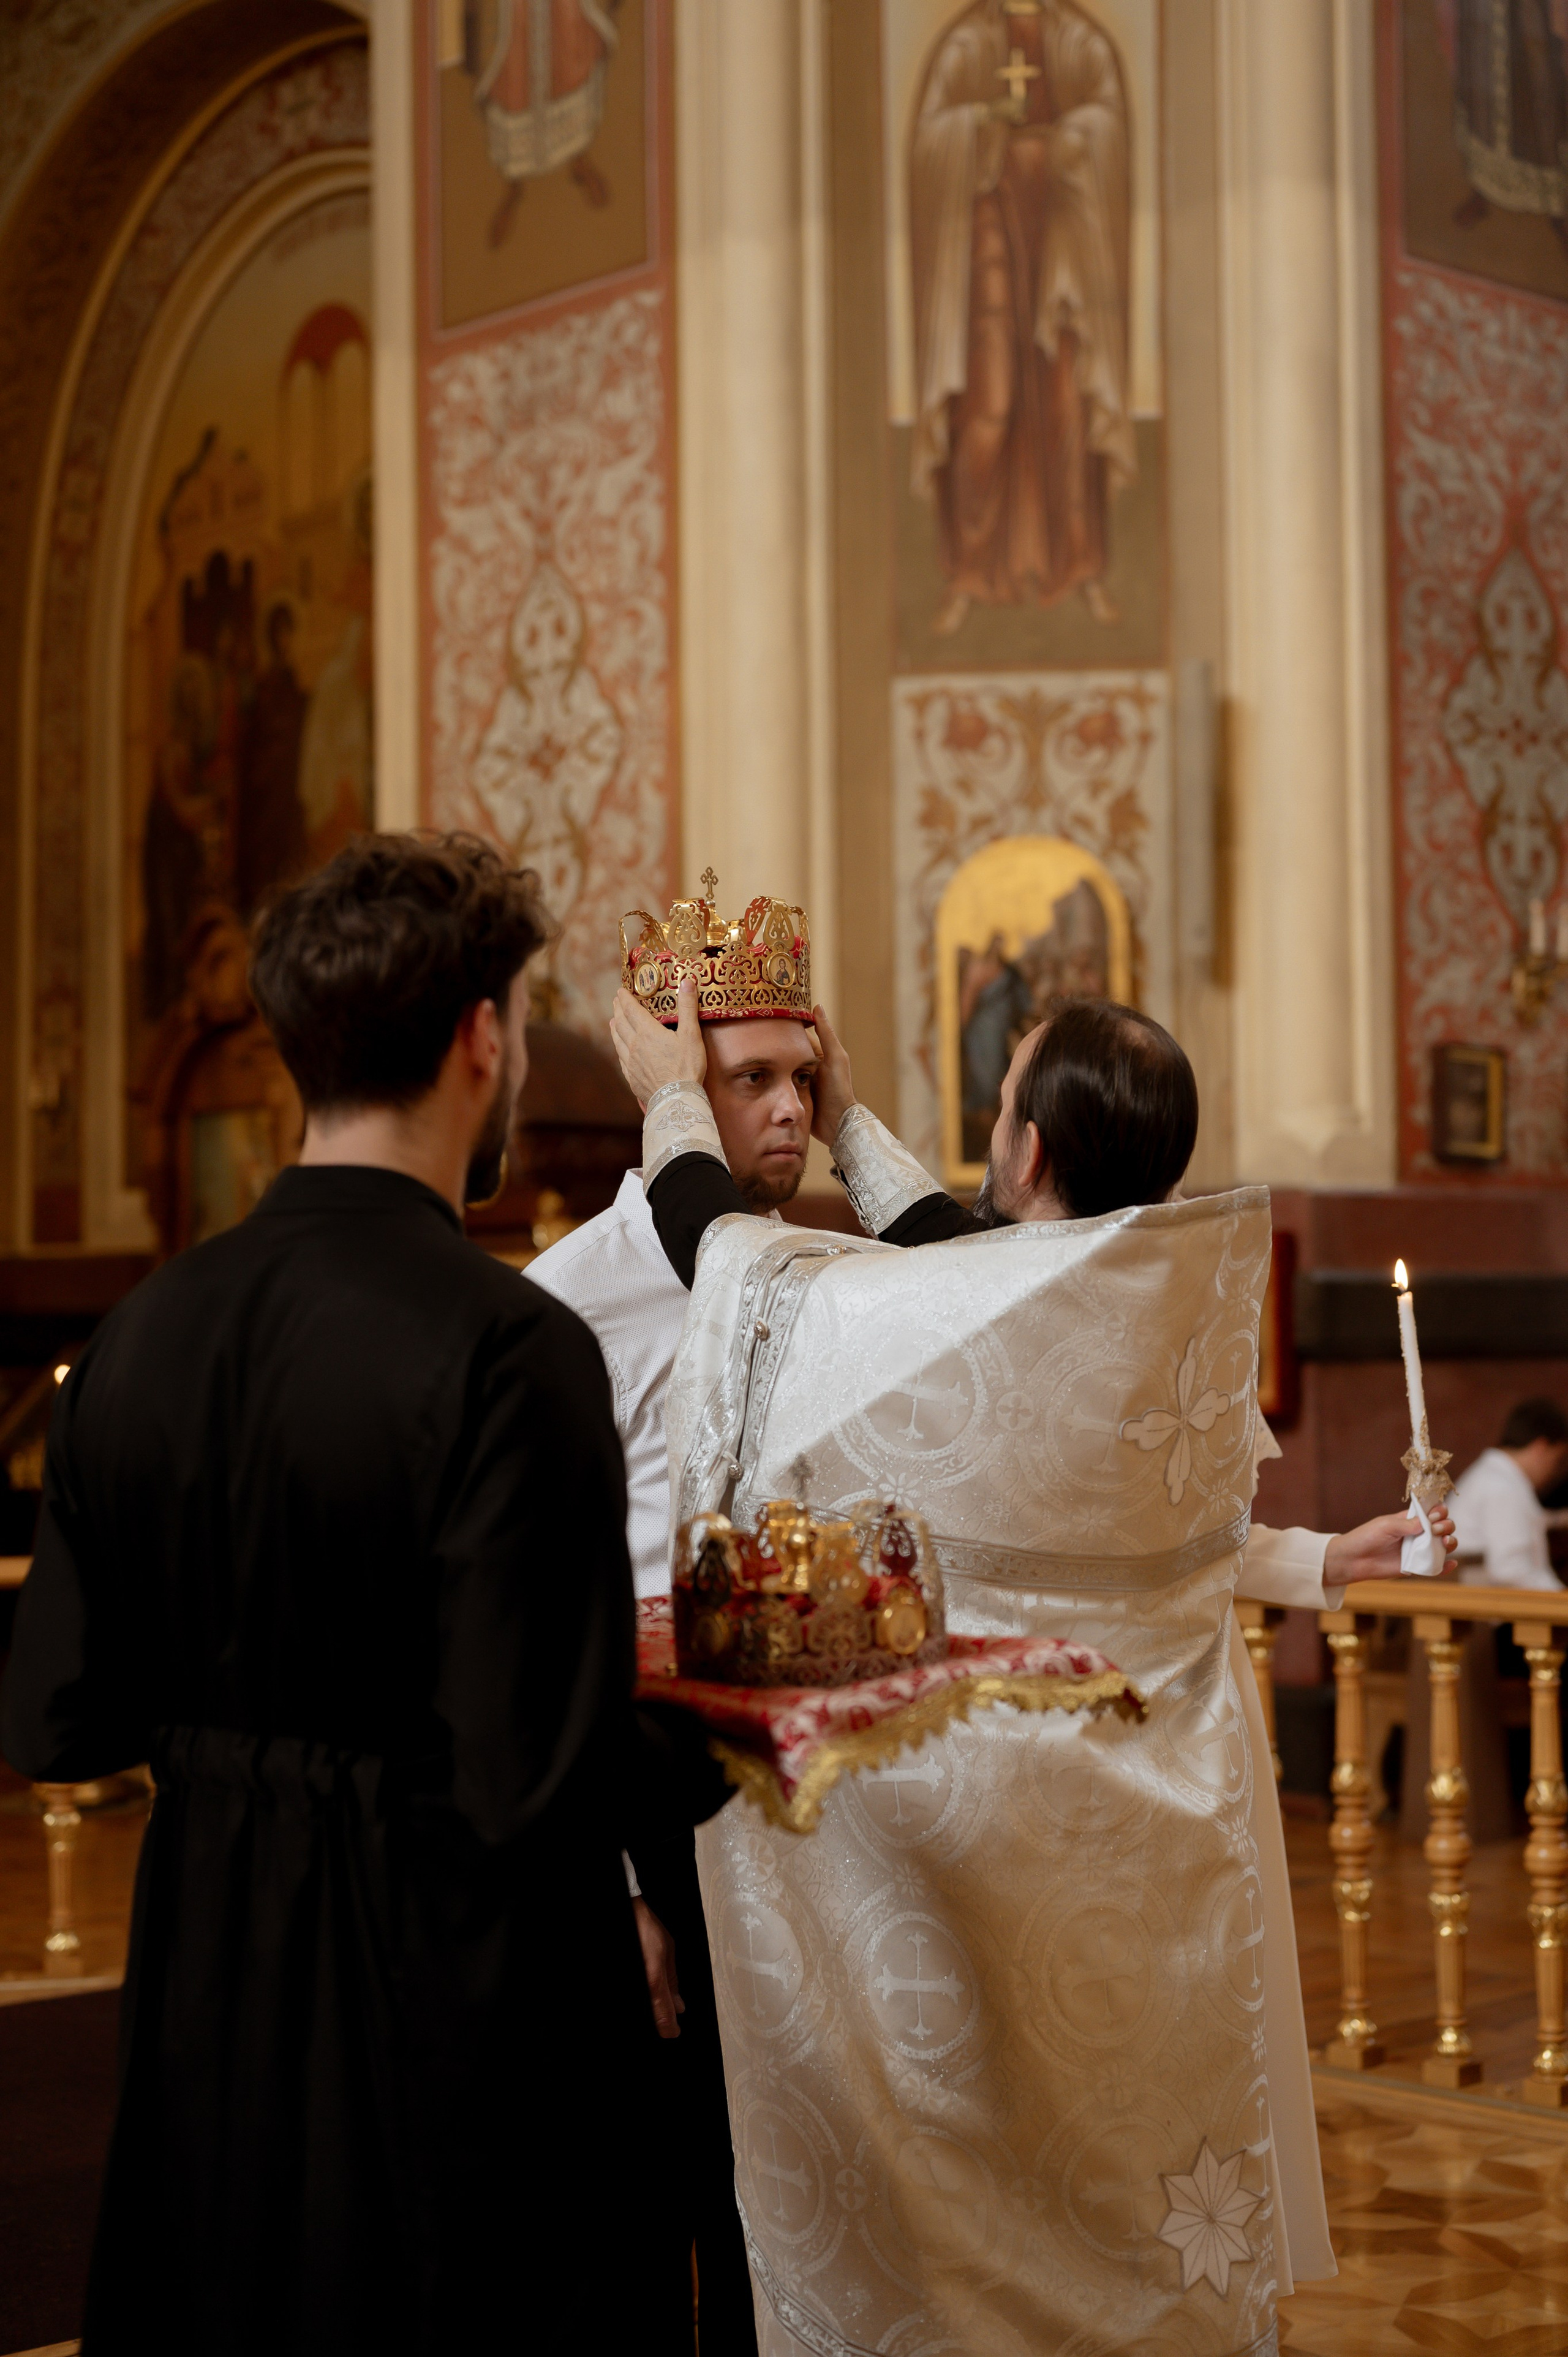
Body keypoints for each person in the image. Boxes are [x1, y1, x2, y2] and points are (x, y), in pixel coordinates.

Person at [610, 959, 1453, 2353]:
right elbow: (1161, 1521)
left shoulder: (943, 1327)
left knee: (974, 2171)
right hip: (1134, 1849)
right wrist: (1311, 1558)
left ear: (1028, 1146)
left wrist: (671, 1109)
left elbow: (739, 1268)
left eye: (999, 1104)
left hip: (965, 1836)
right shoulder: (1161, 1310)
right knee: (1106, 2160)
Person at [1, 832, 724, 2356]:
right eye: (522, 1026)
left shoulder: (135, 1338)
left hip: (208, 1990)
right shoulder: (510, 1350)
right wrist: (733, 1728)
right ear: (481, 1036)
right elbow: (536, 1775)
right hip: (448, 2007)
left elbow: (57, 1714)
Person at [526, 880, 820, 2357]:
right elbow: (537, 1615)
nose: (789, 1113)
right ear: (674, 1088)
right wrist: (616, 1880)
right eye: (748, 1077)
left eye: (800, 1077)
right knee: (662, 2199)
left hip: (808, 1806)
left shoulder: (813, 1279)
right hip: (650, 1807)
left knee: (798, 2205)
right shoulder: (566, 1305)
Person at [1451, 1396, 1568, 1591]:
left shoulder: (1495, 1476)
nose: (1553, 1471)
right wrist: (1561, 1600)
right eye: (1556, 1460)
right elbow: (1511, 1569)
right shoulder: (1501, 1487)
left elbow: (1524, 1522)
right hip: (1484, 1614)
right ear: (1541, 1448)